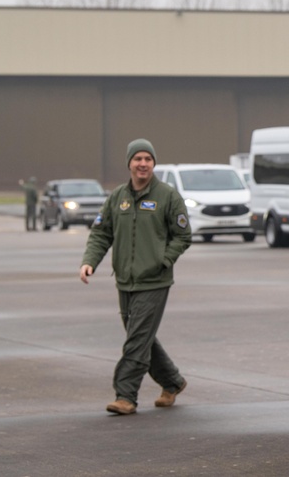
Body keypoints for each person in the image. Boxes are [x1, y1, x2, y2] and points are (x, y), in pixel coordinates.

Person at [79, 138, 192, 415]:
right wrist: (89, 262)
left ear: (154, 163)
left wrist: (162, 260)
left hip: (155, 280)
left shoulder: (167, 196)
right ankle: (172, 381)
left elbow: (183, 236)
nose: (143, 164)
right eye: (138, 159)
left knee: (136, 340)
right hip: (125, 281)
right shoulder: (117, 197)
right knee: (141, 337)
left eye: (148, 159)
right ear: (129, 163)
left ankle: (125, 396)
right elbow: (101, 232)